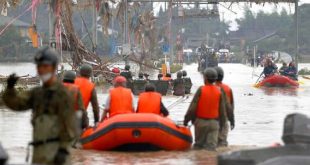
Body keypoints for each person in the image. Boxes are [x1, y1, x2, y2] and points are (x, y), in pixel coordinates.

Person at [2, 47, 78, 165]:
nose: (41, 70)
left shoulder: (63, 94)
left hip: (57, 153)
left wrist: (63, 150)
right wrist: (10, 89)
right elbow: (16, 104)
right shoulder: (37, 93)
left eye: (45, 66)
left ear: (53, 68)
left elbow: (70, 126)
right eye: (39, 66)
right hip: (39, 153)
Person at [184, 68, 226, 151]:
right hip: (214, 124)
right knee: (211, 149)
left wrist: (186, 120)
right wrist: (222, 124)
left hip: (201, 123)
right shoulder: (219, 91)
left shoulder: (201, 89)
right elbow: (222, 111)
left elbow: (193, 107)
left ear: (205, 78)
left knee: (198, 147)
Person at [214, 67, 235, 147]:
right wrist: (232, 121)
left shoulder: (208, 88)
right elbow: (231, 107)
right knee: (222, 144)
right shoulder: (228, 89)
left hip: (212, 119)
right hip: (224, 119)